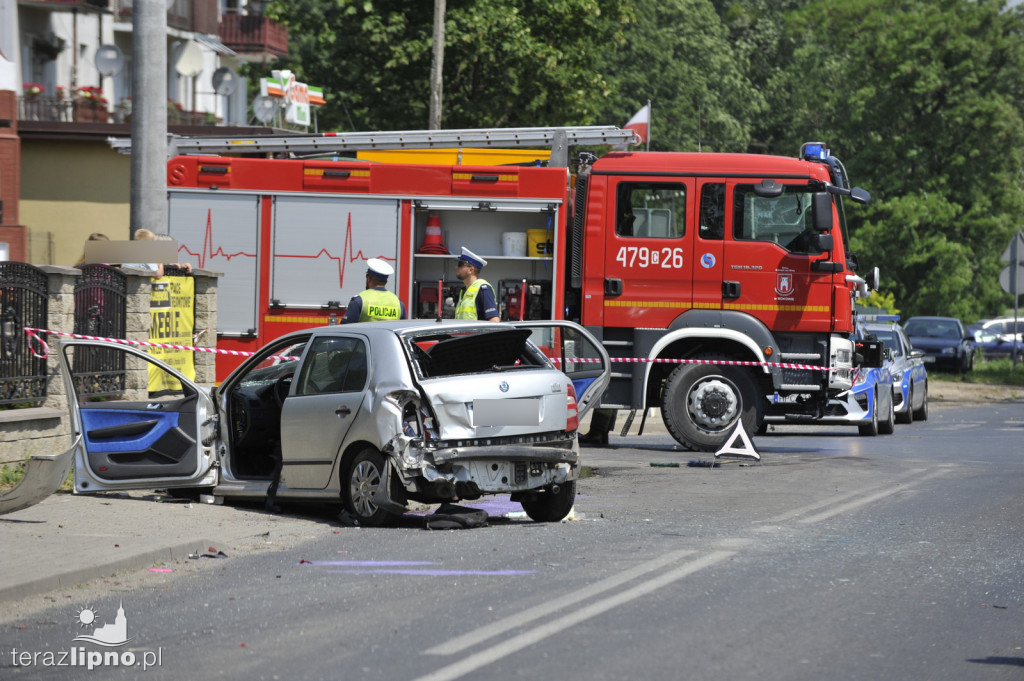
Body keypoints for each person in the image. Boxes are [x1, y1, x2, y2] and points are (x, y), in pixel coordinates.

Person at [340, 258, 407, 323]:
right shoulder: (398, 303)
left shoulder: (360, 300)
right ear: (386, 282)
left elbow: (345, 329)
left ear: (369, 279)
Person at [453, 247, 499, 322]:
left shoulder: (483, 289)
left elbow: (494, 321)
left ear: (471, 269)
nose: (456, 267)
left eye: (460, 264)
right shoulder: (464, 291)